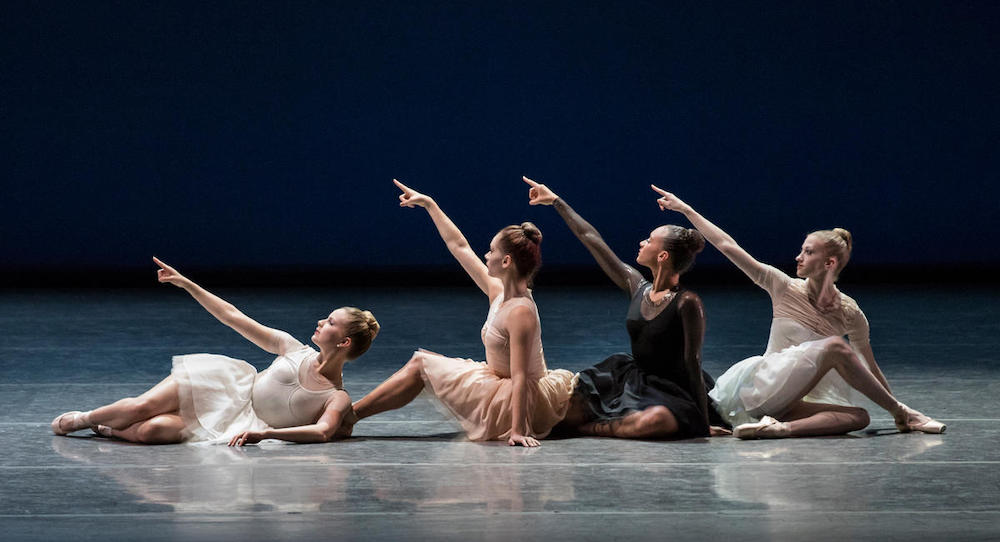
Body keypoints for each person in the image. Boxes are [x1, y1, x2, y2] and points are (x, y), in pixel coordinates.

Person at [651, 185, 945, 438]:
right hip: (763, 387)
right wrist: (686, 209)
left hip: (790, 402)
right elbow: (728, 246)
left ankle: (777, 430)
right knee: (834, 346)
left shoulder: (850, 313)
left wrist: (890, 399)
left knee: (859, 417)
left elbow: (870, 367)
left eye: (808, 252)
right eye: (801, 250)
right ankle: (905, 414)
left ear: (829, 263)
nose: (798, 256)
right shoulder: (782, 286)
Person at [50, 257, 379, 446]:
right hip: (226, 388)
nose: (321, 321)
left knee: (153, 430)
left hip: (239, 420)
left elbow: (322, 431)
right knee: (144, 406)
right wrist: (187, 284)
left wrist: (264, 433)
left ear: (344, 342)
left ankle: (108, 428)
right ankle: (84, 418)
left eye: (331, 322)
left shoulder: (337, 397)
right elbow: (232, 316)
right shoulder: (293, 348)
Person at [347, 180, 575, 447]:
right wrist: (429, 204)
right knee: (421, 363)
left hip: (518, 401)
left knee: (422, 364)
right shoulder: (499, 291)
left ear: (506, 262)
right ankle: (349, 415)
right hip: (498, 381)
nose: (485, 256)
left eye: (491, 251)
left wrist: (518, 430)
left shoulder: (520, 312)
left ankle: (347, 416)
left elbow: (522, 377)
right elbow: (460, 247)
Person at [523, 177, 727, 439]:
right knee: (569, 405)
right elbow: (592, 239)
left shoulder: (687, 302)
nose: (642, 242)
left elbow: (693, 362)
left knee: (656, 421)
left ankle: (589, 429)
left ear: (663, 256)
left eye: (650, 241)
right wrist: (556, 202)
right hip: (632, 379)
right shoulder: (637, 285)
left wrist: (702, 421)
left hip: (672, 389)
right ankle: (582, 423)